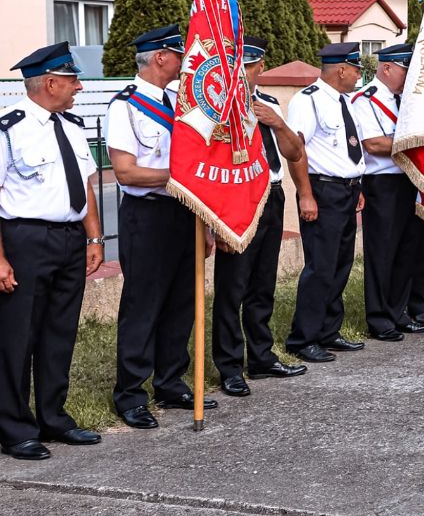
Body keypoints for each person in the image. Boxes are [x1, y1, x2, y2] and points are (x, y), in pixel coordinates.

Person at [107, 24, 216, 429]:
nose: (184, 64)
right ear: (159, 58)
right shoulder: (126, 106)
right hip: (147, 216)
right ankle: (131, 393)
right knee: (143, 305)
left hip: (184, 213)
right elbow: (126, 172)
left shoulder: (181, 103)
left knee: (181, 303)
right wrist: (179, 175)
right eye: (177, 56)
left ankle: (170, 382)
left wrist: (203, 221)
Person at [0, 43, 103, 459]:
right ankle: (13, 427)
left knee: (59, 333)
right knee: (16, 336)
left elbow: (87, 186)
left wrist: (94, 238)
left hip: (69, 240)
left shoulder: (73, 125)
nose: (79, 87)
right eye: (73, 80)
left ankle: (53, 419)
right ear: (50, 82)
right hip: (25, 240)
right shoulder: (10, 129)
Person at [212, 37, 306, 399]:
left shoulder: (266, 103)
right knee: (231, 288)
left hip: (273, 194)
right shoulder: (218, 109)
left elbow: (295, 152)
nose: (257, 71)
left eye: (257, 65)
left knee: (262, 285)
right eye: (250, 66)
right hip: (237, 198)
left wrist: (278, 124)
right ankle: (230, 366)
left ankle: (261, 356)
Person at [355, 44, 424, 343]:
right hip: (382, 184)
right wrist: (416, 142)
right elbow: (373, 143)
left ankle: (398, 312)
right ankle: (379, 318)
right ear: (386, 67)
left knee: (406, 251)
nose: (408, 76)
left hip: (409, 181)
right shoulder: (367, 100)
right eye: (404, 69)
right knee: (383, 253)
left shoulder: (406, 101)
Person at [285, 42, 367, 363]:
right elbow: (296, 152)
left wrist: (356, 185)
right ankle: (303, 338)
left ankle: (329, 330)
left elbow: (347, 149)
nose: (360, 74)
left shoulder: (346, 102)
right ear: (341, 69)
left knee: (341, 264)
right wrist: (305, 193)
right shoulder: (309, 101)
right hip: (322, 191)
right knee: (320, 266)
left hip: (346, 190)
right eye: (357, 69)